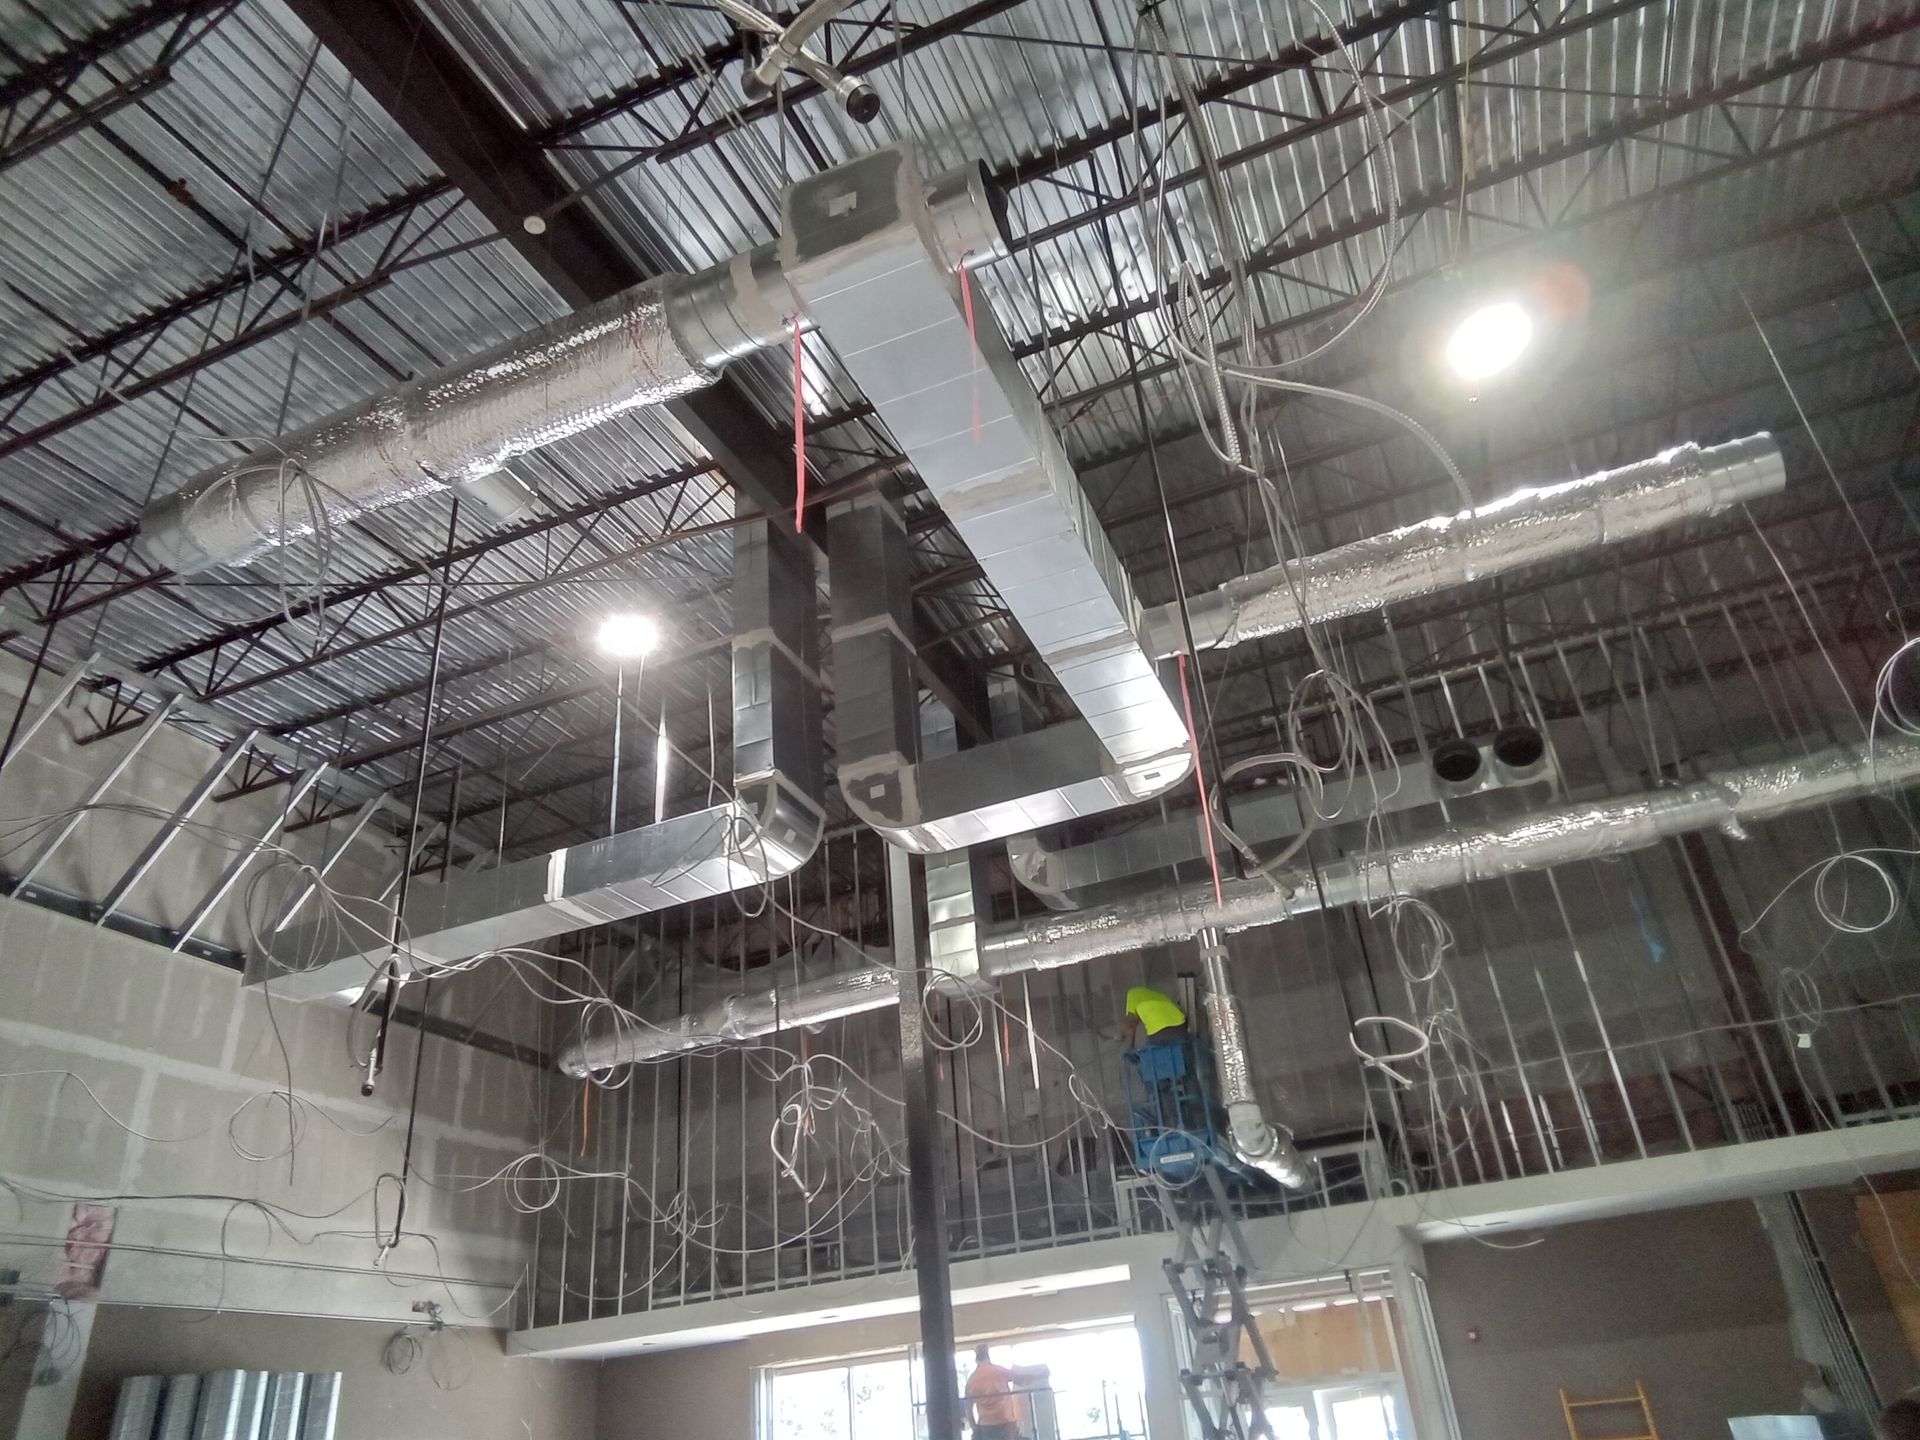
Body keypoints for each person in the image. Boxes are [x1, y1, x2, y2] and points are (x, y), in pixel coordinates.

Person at [964, 1346, 1022, 1440]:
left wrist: (975, 1430)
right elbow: (1019, 1380)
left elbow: (968, 1409)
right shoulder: (998, 1370)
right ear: (988, 1357)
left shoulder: (971, 1380)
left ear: (976, 1360)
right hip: (1005, 1422)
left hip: (986, 1426)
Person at [1123, 984, 1187, 1050]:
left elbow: (1130, 1025)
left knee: (1155, 1053)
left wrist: (1129, 1049)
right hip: (1181, 1026)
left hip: (1159, 1030)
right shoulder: (1159, 995)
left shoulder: (1132, 994)